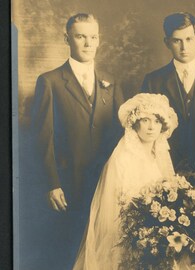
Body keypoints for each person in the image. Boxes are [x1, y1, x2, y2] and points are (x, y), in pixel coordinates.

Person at [30, 13, 123, 269]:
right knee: (69, 250)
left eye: (93, 37)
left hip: (105, 183)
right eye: (80, 36)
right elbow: (42, 139)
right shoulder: (50, 81)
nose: (87, 43)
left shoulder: (111, 82)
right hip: (68, 186)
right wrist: (52, 184)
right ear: (67, 38)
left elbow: (119, 136)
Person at [73, 93, 178, 269]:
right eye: (145, 120)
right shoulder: (122, 157)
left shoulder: (160, 155)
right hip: (129, 233)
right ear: (134, 123)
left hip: (158, 230)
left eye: (157, 121)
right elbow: (116, 208)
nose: (151, 127)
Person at [141, 12, 195, 167]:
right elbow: (142, 131)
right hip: (167, 166)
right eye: (177, 41)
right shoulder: (153, 81)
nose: (184, 47)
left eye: (188, 39)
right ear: (167, 42)